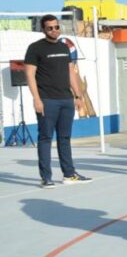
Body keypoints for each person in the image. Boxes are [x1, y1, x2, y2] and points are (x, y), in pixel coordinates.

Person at [24, 14, 92, 188]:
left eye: (56, 27)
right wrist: (37, 99)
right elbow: (30, 75)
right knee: (45, 138)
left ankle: (69, 174)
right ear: (43, 29)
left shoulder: (64, 47)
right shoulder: (35, 48)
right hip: (47, 100)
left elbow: (71, 72)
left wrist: (78, 96)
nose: (54, 30)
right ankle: (46, 177)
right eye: (50, 28)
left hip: (66, 100)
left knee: (65, 138)